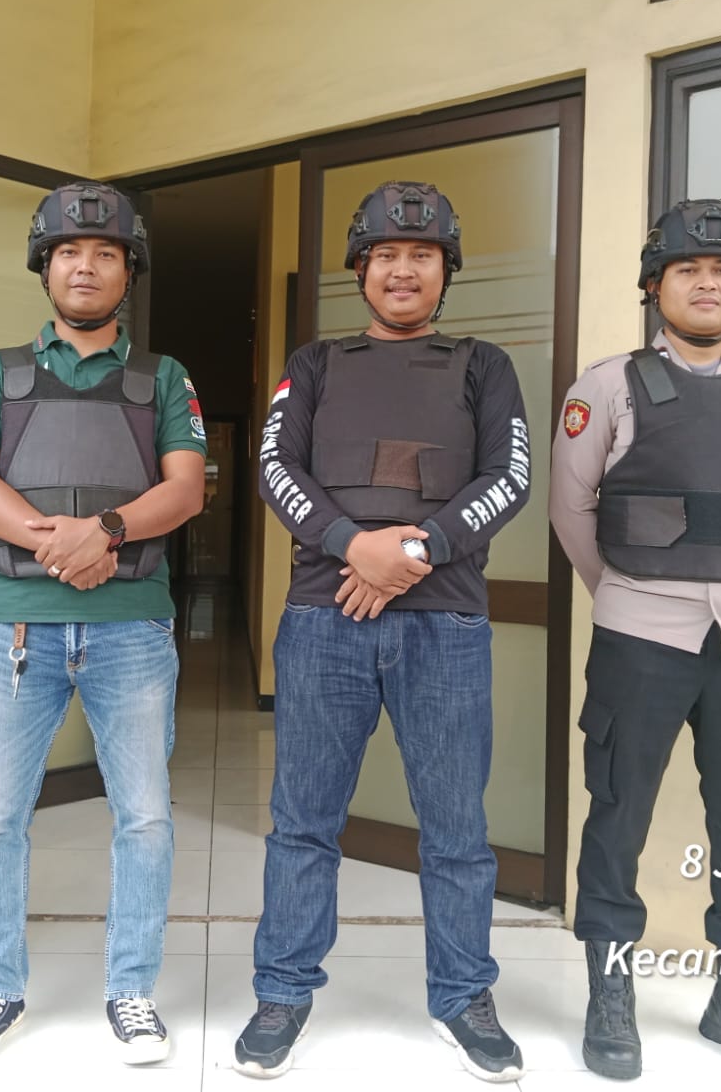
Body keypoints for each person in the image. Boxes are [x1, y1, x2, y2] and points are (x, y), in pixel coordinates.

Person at [235, 182, 532, 1083]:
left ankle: (464, 996)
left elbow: (509, 477)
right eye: (386, 255)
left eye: (423, 255)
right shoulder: (316, 364)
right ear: (360, 270)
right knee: (303, 823)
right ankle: (283, 992)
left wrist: (417, 549)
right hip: (323, 619)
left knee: (456, 829)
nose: (404, 270)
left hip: (444, 624)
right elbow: (274, 466)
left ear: (447, 269)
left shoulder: (483, 365)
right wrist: (350, 545)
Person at [549, 198, 721, 1081]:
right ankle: (610, 996)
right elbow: (572, 510)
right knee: (617, 817)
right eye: (688, 270)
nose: (708, 283)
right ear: (654, 285)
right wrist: (630, 594)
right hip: (639, 641)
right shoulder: (606, 387)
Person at [0, 181, 206, 1066]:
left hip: (132, 629)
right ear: (44, 267)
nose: (84, 266)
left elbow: (185, 488)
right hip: (18, 630)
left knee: (145, 818)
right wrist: (59, 542)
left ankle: (132, 990)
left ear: (129, 271)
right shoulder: (0, 371)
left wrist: (109, 530)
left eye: (104, 253)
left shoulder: (163, 378)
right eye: (67, 252)